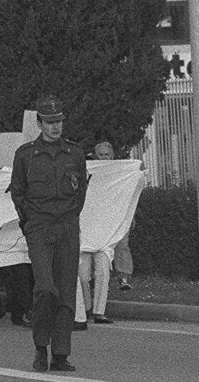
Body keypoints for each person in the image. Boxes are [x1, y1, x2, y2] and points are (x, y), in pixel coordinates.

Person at [11, 94, 89, 373]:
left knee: (67, 291)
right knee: (46, 288)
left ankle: (60, 354)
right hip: (40, 227)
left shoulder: (75, 153)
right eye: (50, 122)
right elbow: (18, 194)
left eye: (59, 121)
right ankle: (40, 347)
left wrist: (69, 217)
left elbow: (81, 192)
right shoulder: (25, 155)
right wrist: (30, 222)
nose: (56, 127)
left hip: (67, 225)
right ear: (39, 123)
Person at [75, 141, 117, 328]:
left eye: (107, 155)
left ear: (113, 156)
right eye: (100, 155)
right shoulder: (87, 173)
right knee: (83, 275)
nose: (104, 158)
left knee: (102, 272)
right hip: (86, 232)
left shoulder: (118, 174)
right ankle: (85, 306)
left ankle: (100, 311)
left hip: (105, 233)